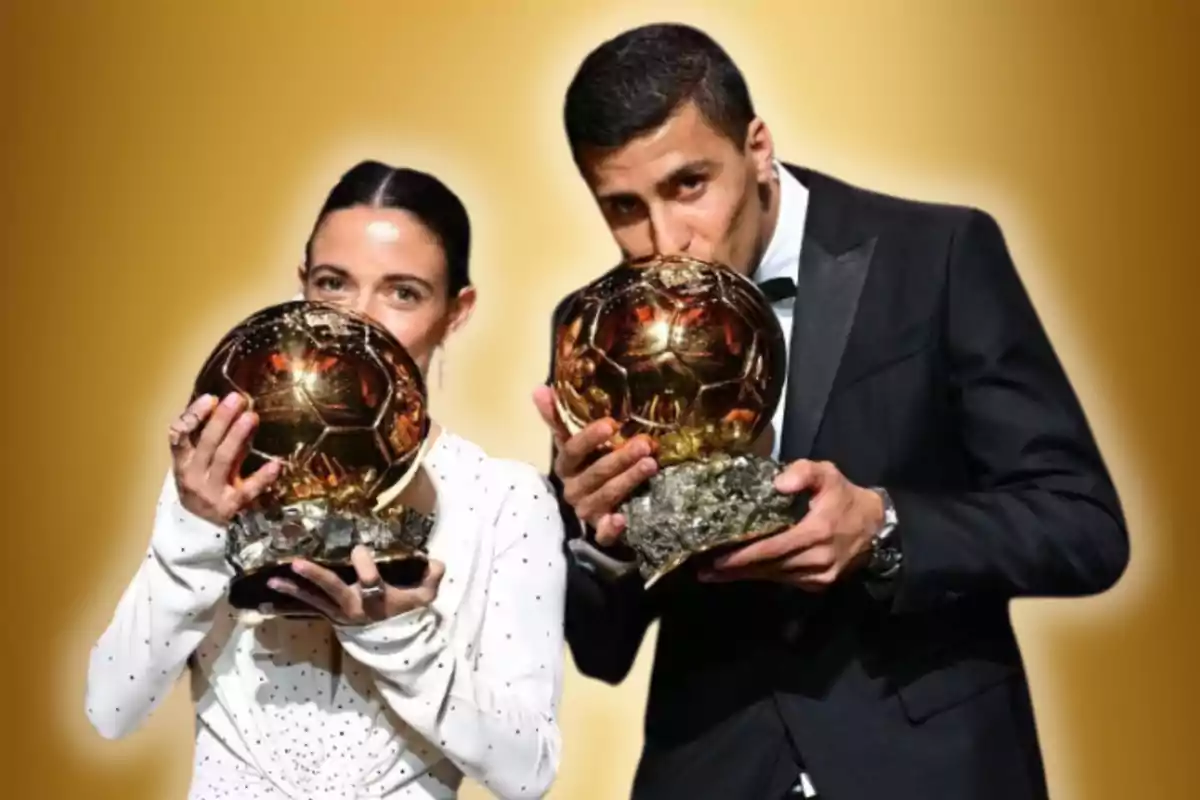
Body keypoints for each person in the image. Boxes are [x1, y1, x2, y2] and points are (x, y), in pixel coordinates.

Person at [532, 23, 1129, 800]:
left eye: (689, 185)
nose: (666, 240)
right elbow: (601, 650)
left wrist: (882, 527)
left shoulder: (939, 253)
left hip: (934, 767)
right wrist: (592, 539)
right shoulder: (596, 327)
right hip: (714, 771)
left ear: (757, 147)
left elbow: (1083, 525)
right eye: (622, 207)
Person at [87, 160, 566, 800]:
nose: (357, 320)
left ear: (457, 311)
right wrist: (193, 529)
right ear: (301, 288)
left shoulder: (504, 500)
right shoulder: (220, 478)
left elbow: (528, 772)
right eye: (334, 283)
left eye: (403, 292)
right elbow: (111, 708)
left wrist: (394, 635)